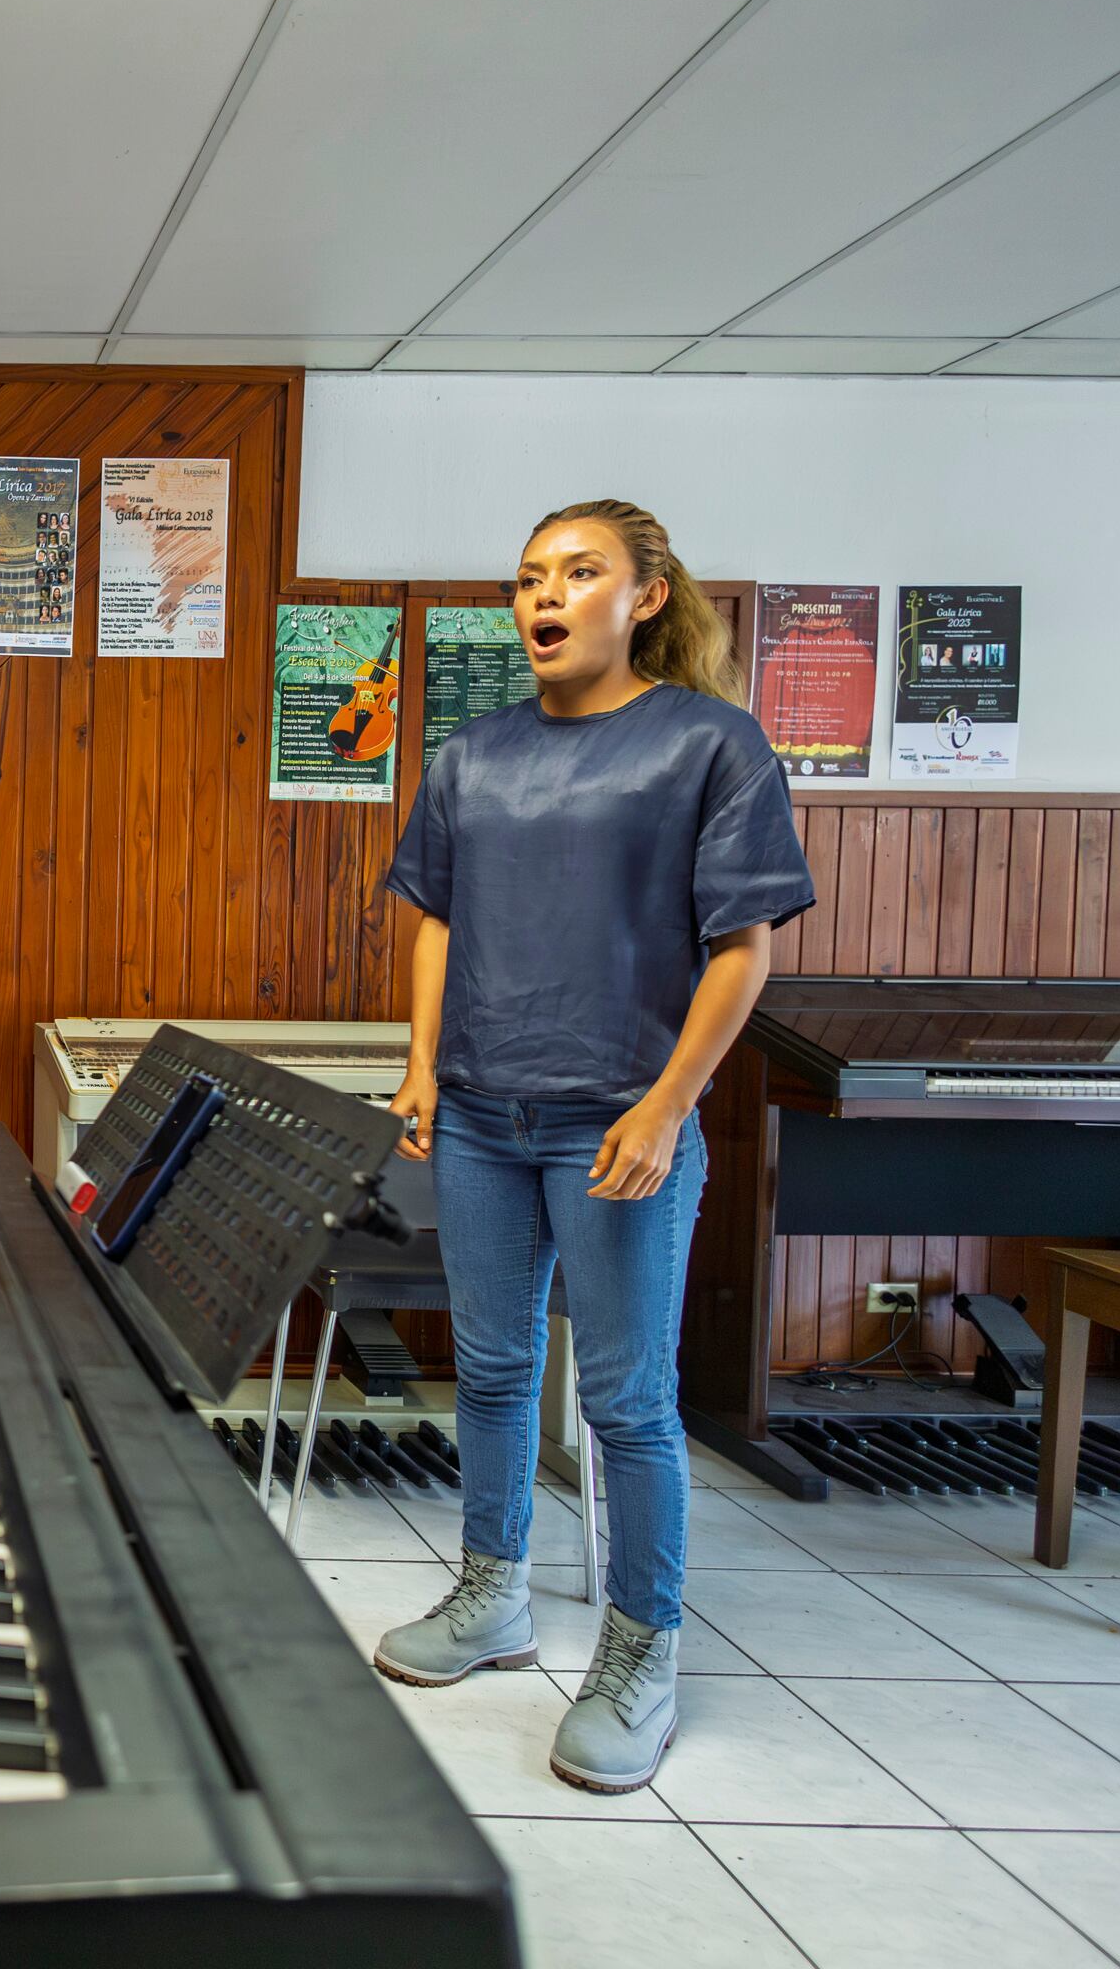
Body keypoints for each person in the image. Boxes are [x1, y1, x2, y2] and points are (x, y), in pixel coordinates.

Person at [373, 498, 813, 1795]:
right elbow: (436, 923)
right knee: (498, 1376)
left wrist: (671, 1103)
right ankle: (492, 1598)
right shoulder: (472, 757)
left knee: (627, 1405)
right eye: (527, 579)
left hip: (620, 1119)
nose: (544, 597)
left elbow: (746, 950)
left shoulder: (710, 746)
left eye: (578, 573)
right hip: (479, 1115)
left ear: (647, 596)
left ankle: (641, 1653)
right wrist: (417, 1064)